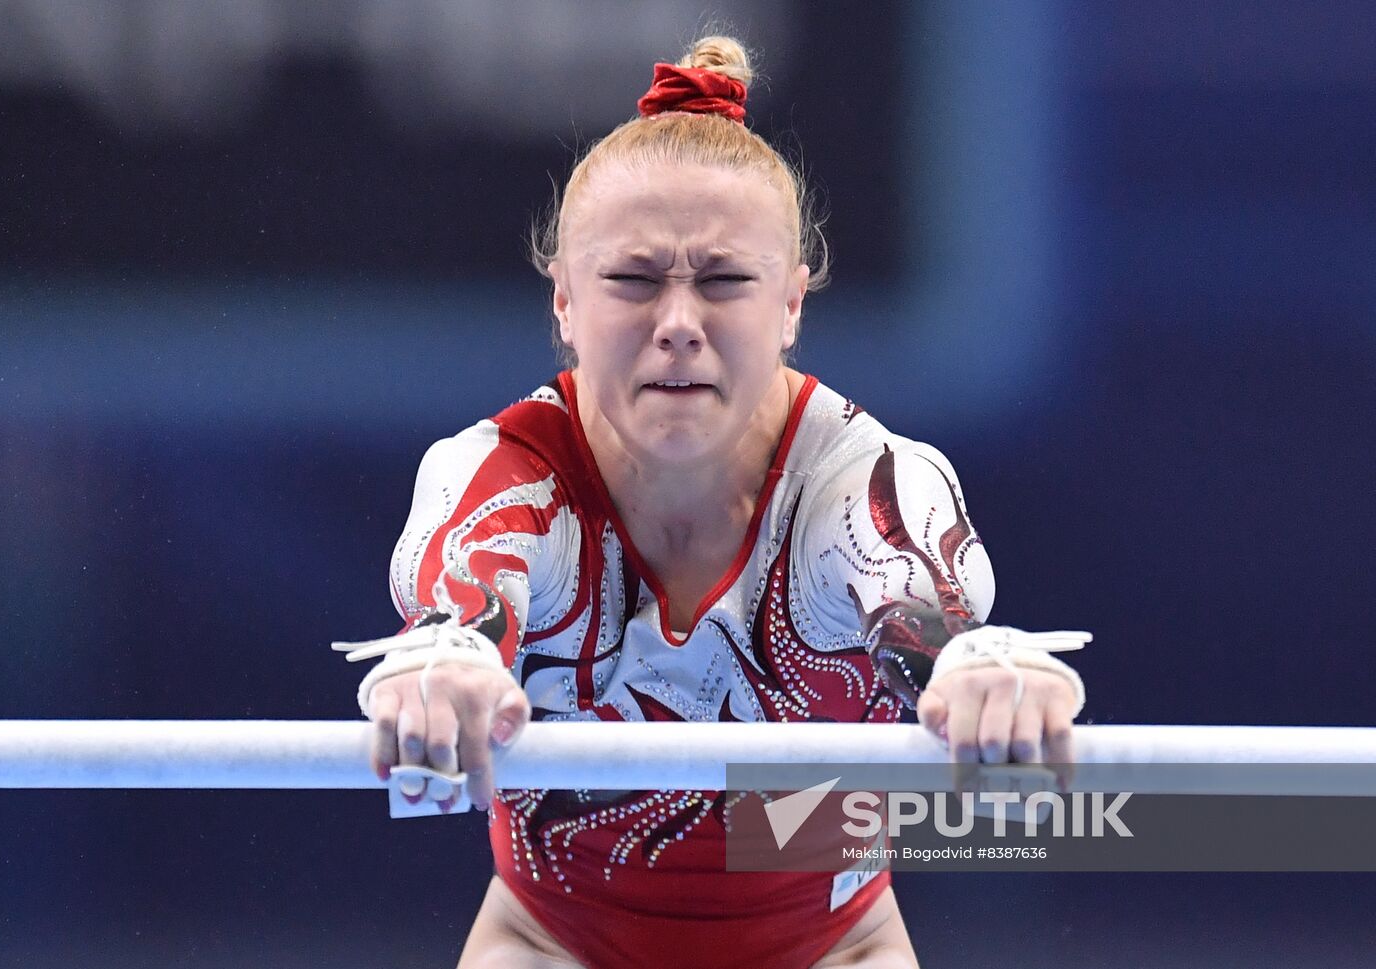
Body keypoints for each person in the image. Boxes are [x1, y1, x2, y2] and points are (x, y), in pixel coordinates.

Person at [341, 35, 1088, 969]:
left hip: (832, 949)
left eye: (725, 281)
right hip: (552, 944)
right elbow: (462, 609)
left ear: (791, 304)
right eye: (634, 280)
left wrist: (971, 670)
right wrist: (447, 661)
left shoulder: (858, 484)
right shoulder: (507, 474)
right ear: (565, 300)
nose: (680, 325)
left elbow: (923, 615)